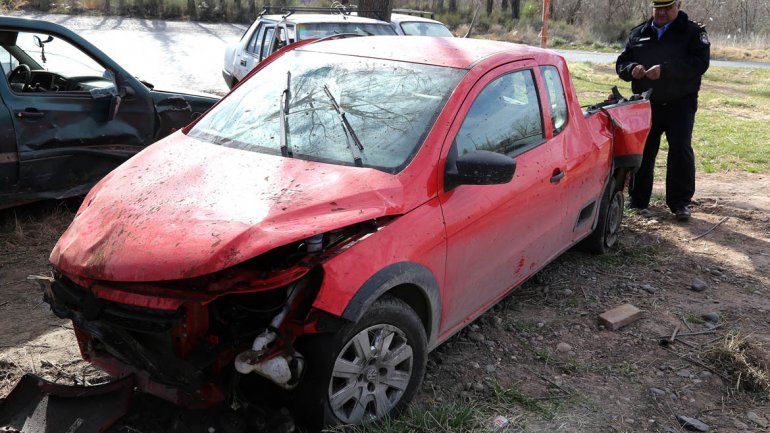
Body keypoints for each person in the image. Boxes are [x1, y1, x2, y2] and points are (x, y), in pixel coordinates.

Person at [616, 0, 710, 221]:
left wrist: (666, 71)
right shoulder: (639, 32)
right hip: (647, 103)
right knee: (644, 150)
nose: (661, 13)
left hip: (680, 103)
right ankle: (638, 200)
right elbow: (622, 63)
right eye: (657, 8)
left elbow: (700, 63)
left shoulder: (692, 32)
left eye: (667, 8)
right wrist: (632, 69)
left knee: (680, 149)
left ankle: (680, 203)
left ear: (678, 5)